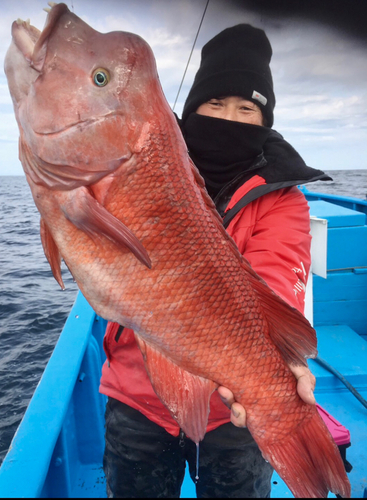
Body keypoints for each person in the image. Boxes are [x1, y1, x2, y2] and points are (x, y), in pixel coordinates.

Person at [99, 24, 331, 498]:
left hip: (233, 410)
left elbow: (273, 284)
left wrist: (275, 372)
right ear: (192, 109)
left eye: (247, 108)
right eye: (215, 104)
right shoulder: (139, 166)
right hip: (137, 396)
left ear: (265, 118)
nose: (231, 117)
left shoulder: (283, 199)